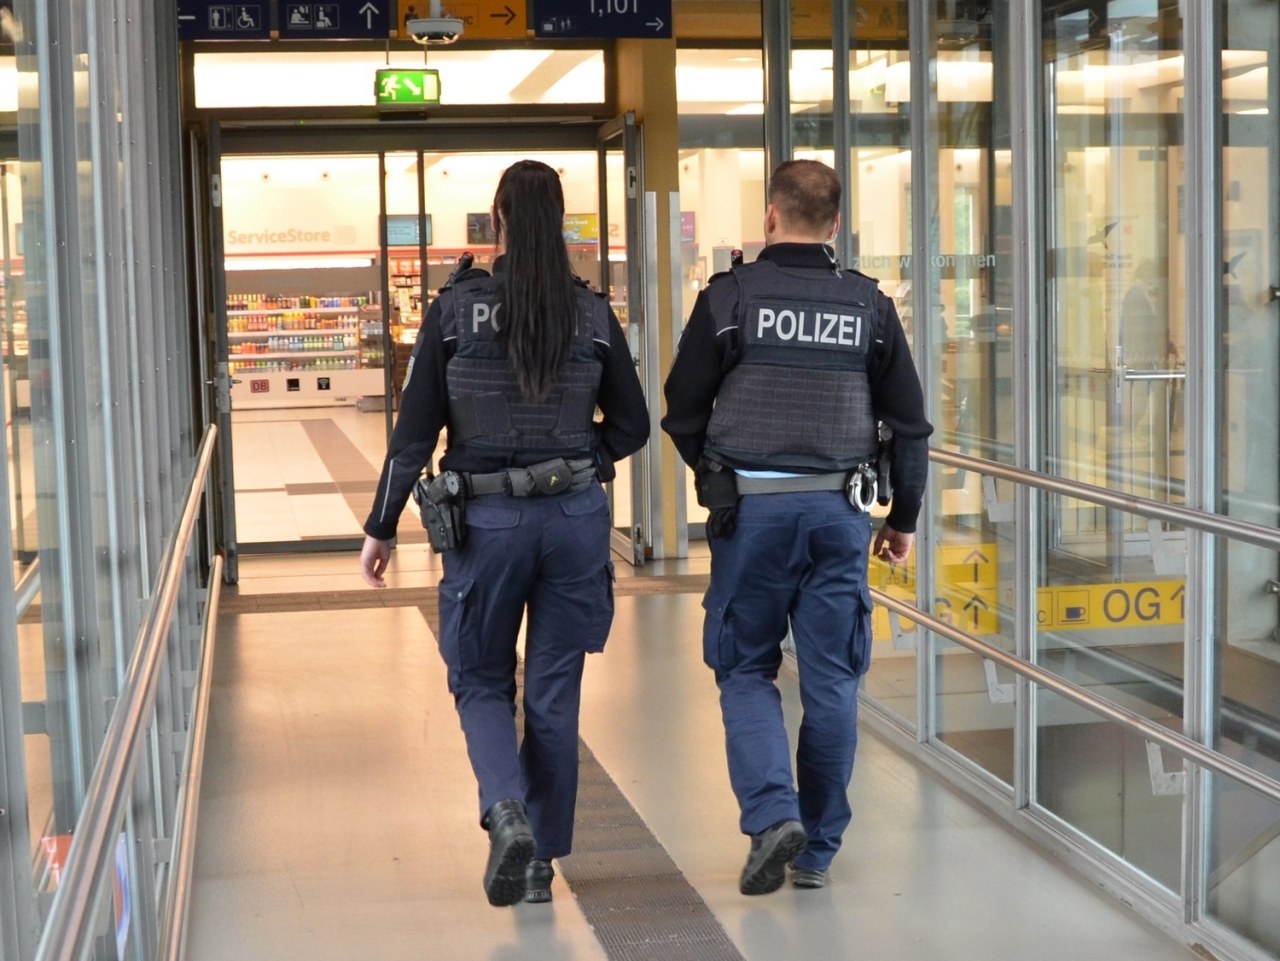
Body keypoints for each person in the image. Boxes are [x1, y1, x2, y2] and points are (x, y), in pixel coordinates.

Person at [360, 160, 648, 907]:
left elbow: (414, 433)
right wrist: (579, 464)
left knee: (482, 678)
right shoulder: (592, 314)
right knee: (554, 693)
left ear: (498, 221)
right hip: (576, 523)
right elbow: (633, 424)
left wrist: (381, 526)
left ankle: (506, 808)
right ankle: (540, 864)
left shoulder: (457, 310)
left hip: (486, 524)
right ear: (559, 222)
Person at [661, 159, 932, 894]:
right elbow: (910, 425)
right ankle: (816, 851)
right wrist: (903, 517)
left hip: (751, 514)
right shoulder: (869, 305)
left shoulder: (730, 297)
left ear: (771, 216)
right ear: (836, 224)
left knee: (745, 666)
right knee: (832, 678)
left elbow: (681, 409)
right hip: (840, 514)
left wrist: (716, 475)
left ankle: (774, 814)